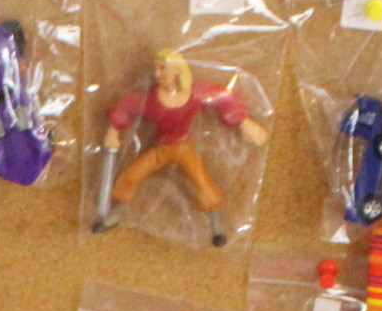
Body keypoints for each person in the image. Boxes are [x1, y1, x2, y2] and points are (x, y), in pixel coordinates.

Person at [95, 50, 270, 244]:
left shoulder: (194, 93)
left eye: (163, 69)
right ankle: (115, 215)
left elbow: (223, 96)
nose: (157, 74)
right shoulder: (151, 100)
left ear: (177, 70)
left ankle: (217, 227)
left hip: (183, 147)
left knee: (202, 182)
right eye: (156, 69)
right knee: (130, 176)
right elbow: (126, 105)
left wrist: (243, 121)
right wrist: (113, 130)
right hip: (161, 148)